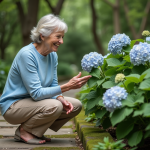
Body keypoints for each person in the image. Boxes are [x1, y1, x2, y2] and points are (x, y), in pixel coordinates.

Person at [0, 14, 92, 145]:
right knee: (54, 106)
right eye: (58, 36)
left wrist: (60, 98)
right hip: (13, 106)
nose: (61, 41)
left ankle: (34, 130)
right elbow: (37, 93)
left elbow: (53, 83)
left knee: (75, 105)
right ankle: (24, 131)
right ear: (43, 35)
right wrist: (67, 87)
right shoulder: (27, 55)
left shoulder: (52, 55)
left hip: (34, 102)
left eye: (62, 37)